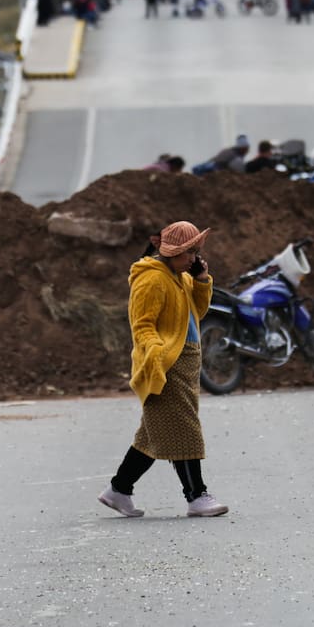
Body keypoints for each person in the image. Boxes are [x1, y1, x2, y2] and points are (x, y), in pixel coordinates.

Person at [98, 221, 229, 518]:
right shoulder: (151, 279)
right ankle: (196, 496)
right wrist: (156, 355)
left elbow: (198, 311)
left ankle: (119, 490)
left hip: (185, 362)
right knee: (185, 430)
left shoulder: (180, 276)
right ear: (170, 252)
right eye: (188, 253)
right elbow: (141, 324)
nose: (193, 258)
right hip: (166, 364)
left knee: (152, 437)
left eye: (196, 252)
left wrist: (203, 280)